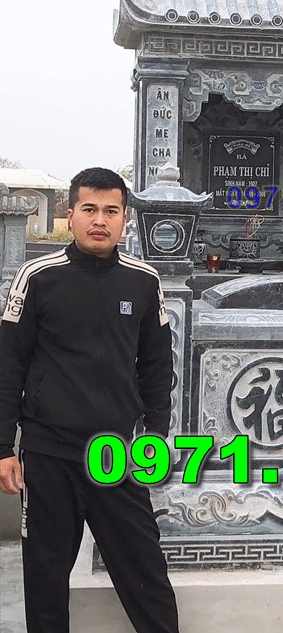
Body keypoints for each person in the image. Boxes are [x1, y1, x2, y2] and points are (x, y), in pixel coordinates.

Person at [0, 167, 179, 633]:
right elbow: (9, 365)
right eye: (90, 209)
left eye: (111, 211)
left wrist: (155, 434)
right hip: (49, 453)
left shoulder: (143, 281)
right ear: (71, 213)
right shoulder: (39, 277)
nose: (100, 220)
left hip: (115, 454)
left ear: (124, 219)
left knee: (145, 572)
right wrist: (2, 447)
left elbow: (157, 366)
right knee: (45, 579)